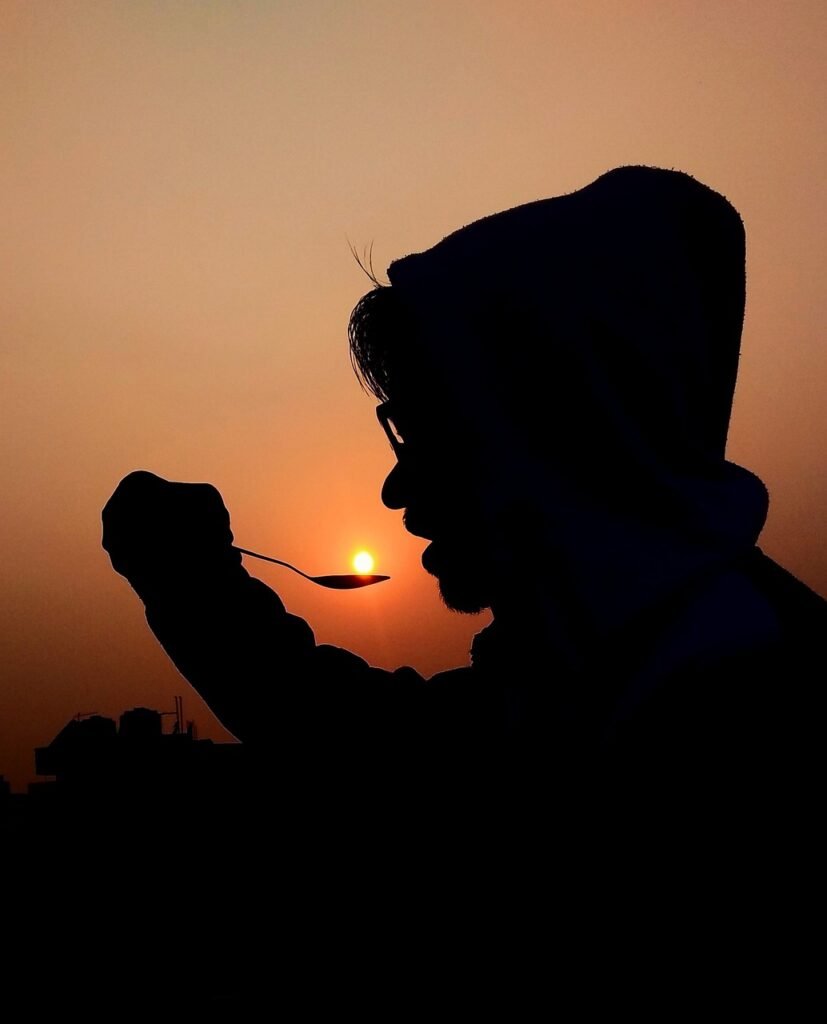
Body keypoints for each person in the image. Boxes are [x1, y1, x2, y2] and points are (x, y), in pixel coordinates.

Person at [102, 166, 824, 855]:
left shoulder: (744, 709)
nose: (395, 488)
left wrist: (192, 587)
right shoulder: (581, 673)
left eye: (427, 428)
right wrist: (193, 583)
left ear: (560, 423)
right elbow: (358, 741)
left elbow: (375, 760)